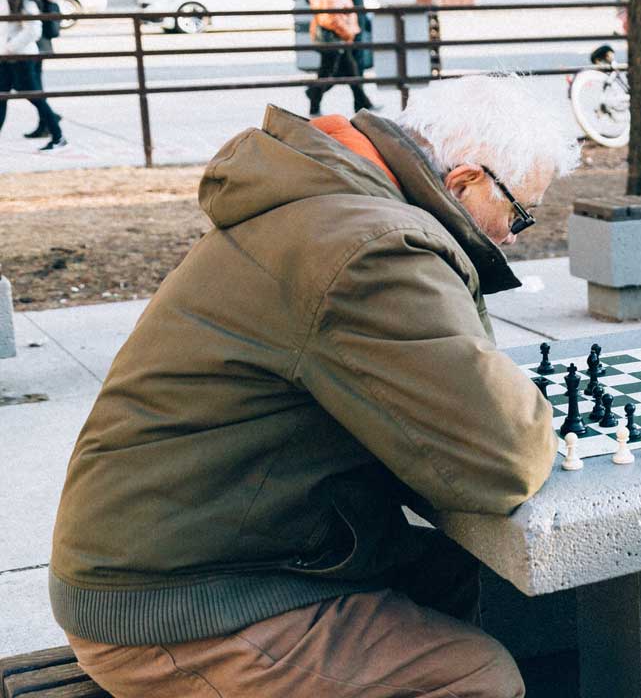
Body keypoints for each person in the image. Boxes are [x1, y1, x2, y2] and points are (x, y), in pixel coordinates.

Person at [49, 73, 581, 697]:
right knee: (478, 679)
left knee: (462, 576)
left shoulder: (329, 200)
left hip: (187, 558)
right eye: (520, 212)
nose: (515, 236)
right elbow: (503, 455)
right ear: (465, 181)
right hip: (177, 608)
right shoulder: (371, 247)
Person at [0, 0, 64, 150]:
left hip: (21, 56)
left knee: (34, 97)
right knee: (1, 97)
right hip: (7, 57)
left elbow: (33, 29)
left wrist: (8, 48)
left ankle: (58, 136)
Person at [305, 0, 372, 115]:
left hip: (335, 39)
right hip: (332, 39)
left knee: (350, 71)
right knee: (329, 73)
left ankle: (363, 104)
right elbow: (330, 18)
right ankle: (313, 96)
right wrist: (348, 33)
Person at [14, 0, 62, 138]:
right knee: (32, 87)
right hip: (40, 43)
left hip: (35, 42)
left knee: (29, 86)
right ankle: (47, 121)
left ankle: (49, 120)